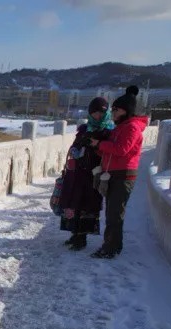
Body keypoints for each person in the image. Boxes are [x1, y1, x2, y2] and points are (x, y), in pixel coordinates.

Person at [89, 85, 148, 259]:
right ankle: (111, 245)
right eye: (113, 109)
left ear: (126, 111)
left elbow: (122, 149)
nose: (112, 112)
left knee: (115, 214)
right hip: (114, 173)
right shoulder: (121, 127)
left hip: (123, 175)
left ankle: (111, 248)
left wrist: (100, 145)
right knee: (111, 213)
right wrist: (97, 146)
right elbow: (112, 150)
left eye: (116, 109)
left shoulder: (131, 128)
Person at [59, 97, 113, 250]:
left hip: (93, 173)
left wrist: (96, 146)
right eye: (94, 112)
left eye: (100, 113)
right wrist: (77, 148)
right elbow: (75, 146)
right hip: (77, 173)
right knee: (73, 203)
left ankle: (81, 238)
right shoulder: (84, 129)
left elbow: (108, 151)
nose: (97, 116)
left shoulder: (108, 131)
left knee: (87, 204)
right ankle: (74, 233)